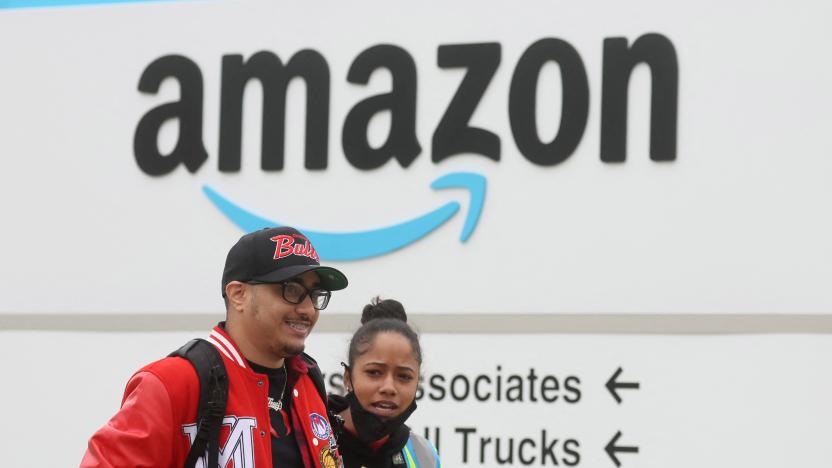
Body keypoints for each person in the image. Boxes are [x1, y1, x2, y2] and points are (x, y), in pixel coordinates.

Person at [81, 226, 348, 468]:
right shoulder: (173, 382)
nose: (307, 309)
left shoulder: (307, 379)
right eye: (291, 290)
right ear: (238, 294)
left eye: (315, 294)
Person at [328, 298, 441, 468]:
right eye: (374, 372)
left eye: (403, 376)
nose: (389, 387)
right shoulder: (308, 437)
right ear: (348, 378)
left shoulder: (423, 455)